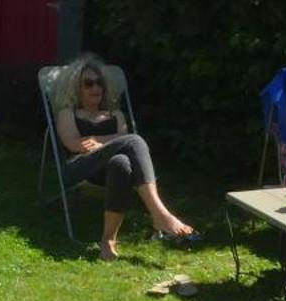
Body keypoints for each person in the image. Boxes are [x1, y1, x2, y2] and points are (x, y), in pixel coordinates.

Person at [52, 54, 199, 260]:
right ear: (77, 88)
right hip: (80, 168)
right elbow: (74, 144)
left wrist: (100, 142)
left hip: (107, 171)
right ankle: (159, 215)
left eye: (99, 82)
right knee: (134, 141)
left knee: (120, 163)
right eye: (88, 83)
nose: (95, 87)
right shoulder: (69, 114)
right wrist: (111, 141)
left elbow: (119, 142)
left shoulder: (116, 115)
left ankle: (108, 240)